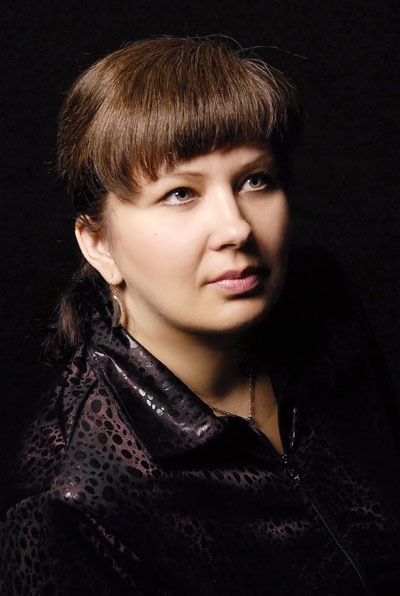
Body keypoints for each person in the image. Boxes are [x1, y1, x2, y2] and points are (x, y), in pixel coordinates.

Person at [0, 37, 399, 596]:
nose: (236, 228)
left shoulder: (323, 303)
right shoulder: (69, 501)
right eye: (180, 194)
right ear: (98, 245)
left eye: (255, 180)